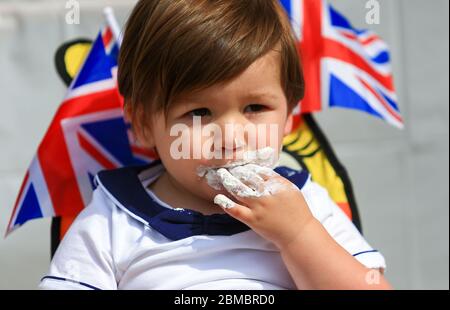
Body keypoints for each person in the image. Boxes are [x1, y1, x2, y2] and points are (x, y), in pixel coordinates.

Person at [39, 0, 391, 290]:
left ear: (288, 117)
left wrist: (298, 234)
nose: (231, 137)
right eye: (199, 112)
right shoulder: (113, 218)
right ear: (144, 123)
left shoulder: (307, 203)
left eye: (255, 108)